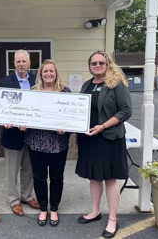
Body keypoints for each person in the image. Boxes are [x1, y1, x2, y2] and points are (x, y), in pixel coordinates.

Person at [75, 51, 132, 238]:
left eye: (101, 62)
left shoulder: (116, 84)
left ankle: (113, 219)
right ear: (89, 66)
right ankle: (95, 211)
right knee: (94, 176)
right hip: (90, 139)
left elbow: (126, 111)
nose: (97, 65)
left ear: (107, 64)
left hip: (109, 138)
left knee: (110, 178)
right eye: (94, 63)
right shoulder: (87, 84)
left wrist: (103, 126)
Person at [21, 59, 71, 227]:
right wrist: (21, 123)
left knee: (57, 178)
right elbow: (25, 115)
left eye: (51, 71)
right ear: (40, 74)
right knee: (39, 178)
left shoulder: (65, 92)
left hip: (59, 144)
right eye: (45, 71)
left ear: (56, 73)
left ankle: (54, 209)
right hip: (36, 143)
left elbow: (72, 117)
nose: (48, 74)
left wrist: (66, 128)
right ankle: (43, 208)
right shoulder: (32, 92)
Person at [0, 49, 40, 216]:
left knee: (28, 168)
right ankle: (14, 200)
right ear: (13, 63)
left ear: (29, 62)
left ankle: (26, 195)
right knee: (12, 169)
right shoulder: (5, 82)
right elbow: (3, 107)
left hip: (32, 134)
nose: (21, 64)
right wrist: (8, 121)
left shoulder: (36, 80)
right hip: (12, 133)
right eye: (18, 62)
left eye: (24, 61)